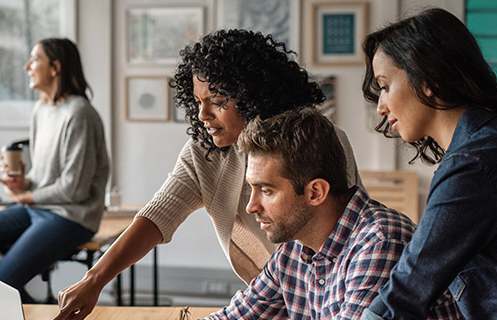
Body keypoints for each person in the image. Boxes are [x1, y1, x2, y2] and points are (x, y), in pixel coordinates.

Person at [55, 29, 362, 319]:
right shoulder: (206, 152)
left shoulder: (314, 143)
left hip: (327, 296)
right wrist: (94, 279)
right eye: (197, 102)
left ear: (255, 96)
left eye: (216, 102)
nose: (202, 116)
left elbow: (337, 239)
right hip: (268, 296)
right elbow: (158, 214)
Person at [206, 108, 461, 319]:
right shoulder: (294, 250)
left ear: (316, 192)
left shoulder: (381, 243)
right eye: (252, 189)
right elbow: (234, 317)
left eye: (266, 190)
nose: (251, 206)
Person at [358, 8, 497, 319]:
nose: (380, 107)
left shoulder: (474, 164)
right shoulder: (492, 143)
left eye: (386, 86)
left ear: (427, 79)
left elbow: (407, 289)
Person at [0, 38, 109, 303]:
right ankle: (28, 308)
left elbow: (74, 189)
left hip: (71, 217)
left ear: (55, 67)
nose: (27, 66)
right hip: (38, 209)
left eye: (35, 59)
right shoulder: (41, 110)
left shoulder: (80, 113)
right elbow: (44, 178)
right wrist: (24, 182)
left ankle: (11, 301)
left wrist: (27, 197)